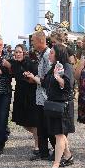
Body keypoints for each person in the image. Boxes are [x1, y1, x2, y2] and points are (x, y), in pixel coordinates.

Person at [26, 44, 75, 168]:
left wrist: (58, 78)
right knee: (59, 134)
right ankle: (68, 156)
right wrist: (32, 77)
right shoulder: (54, 66)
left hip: (63, 105)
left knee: (59, 134)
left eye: (52, 53)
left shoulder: (67, 66)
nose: (49, 55)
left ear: (58, 54)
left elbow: (67, 85)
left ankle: (55, 165)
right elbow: (45, 82)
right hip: (53, 104)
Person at [3, 44, 39, 153]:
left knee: (33, 121)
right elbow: (7, 63)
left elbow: (36, 78)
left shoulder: (30, 63)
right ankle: (41, 136)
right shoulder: (14, 63)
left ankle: (38, 145)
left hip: (31, 94)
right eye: (16, 52)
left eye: (19, 52)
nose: (17, 54)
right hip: (20, 94)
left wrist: (30, 78)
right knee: (22, 121)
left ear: (24, 52)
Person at [28, 31, 56, 161]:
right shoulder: (42, 54)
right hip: (40, 97)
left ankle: (57, 152)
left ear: (40, 41)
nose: (32, 44)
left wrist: (34, 78)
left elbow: (49, 79)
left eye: (33, 41)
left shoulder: (48, 55)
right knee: (41, 127)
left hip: (46, 98)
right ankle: (43, 152)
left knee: (49, 127)